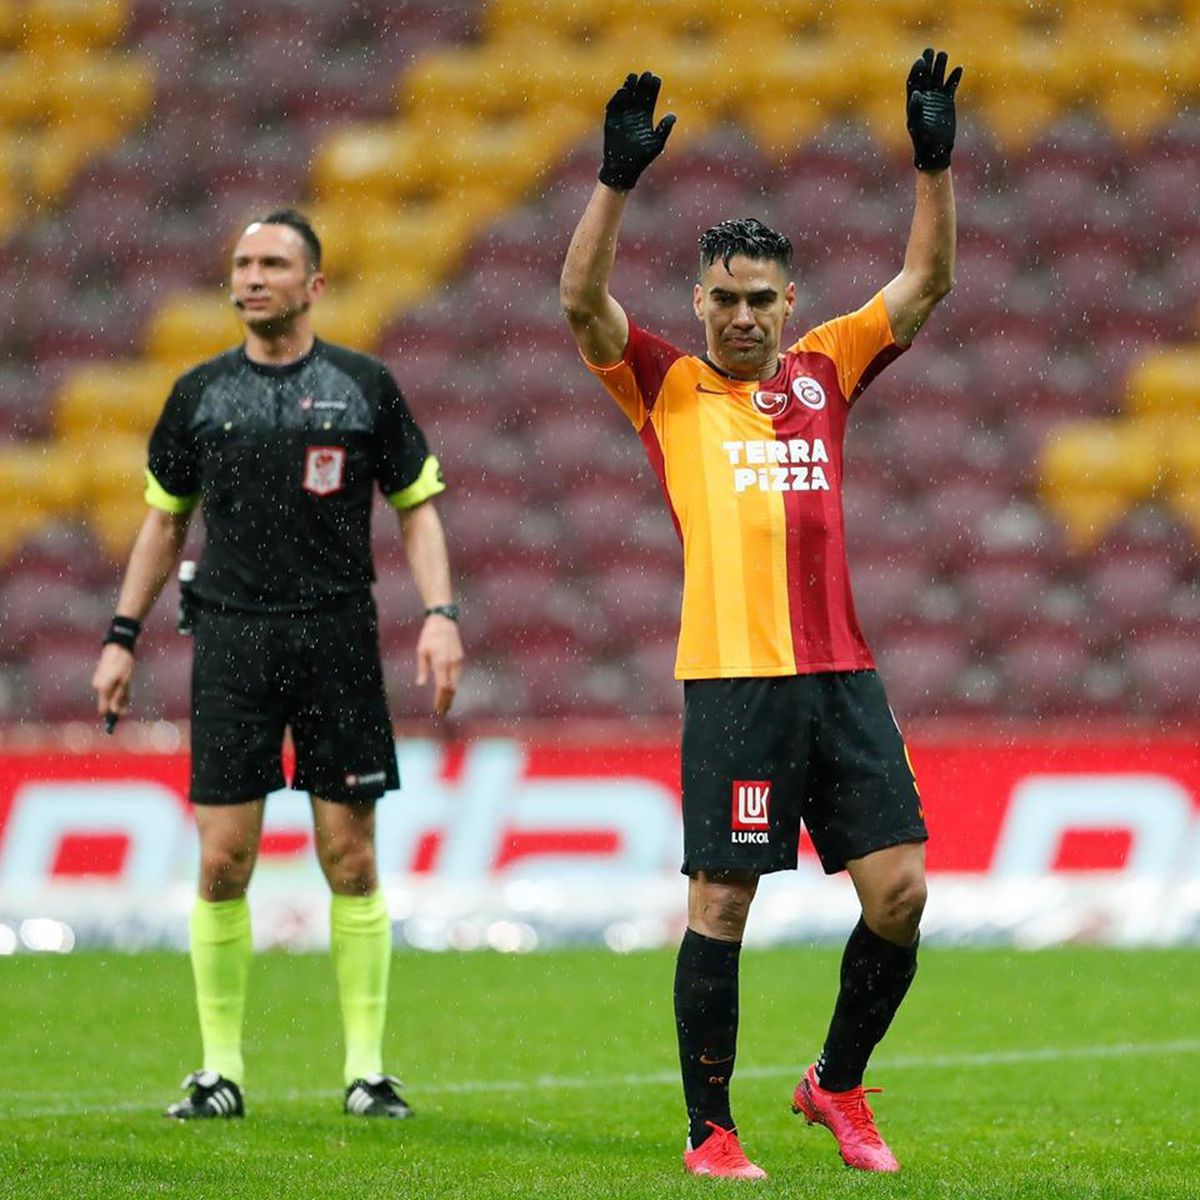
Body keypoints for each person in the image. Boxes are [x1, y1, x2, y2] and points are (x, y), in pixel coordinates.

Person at [560, 52, 960, 1179]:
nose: (741, 316)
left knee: (902, 895)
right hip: (735, 681)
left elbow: (924, 285)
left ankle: (833, 1084)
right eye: (723, 299)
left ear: (790, 303)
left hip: (843, 676)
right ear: (699, 304)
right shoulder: (666, 386)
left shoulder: (827, 369)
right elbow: (581, 303)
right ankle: (710, 1127)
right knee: (722, 902)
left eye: (760, 300)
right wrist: (613, 182)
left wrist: (933, 163)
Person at [91, 208, 464, 1121]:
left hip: (337, 637)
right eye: (242, 263)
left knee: (350, 856)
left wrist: (442, 615)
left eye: (272, 263)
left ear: (314, 284)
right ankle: (219, 1072)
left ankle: (366, 1072)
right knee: (223, 861)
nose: (251, 277)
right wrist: (121, 633)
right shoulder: (197, 396)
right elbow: (163, 519)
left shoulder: (363, 386)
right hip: (230, 641)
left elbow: (416, 506)